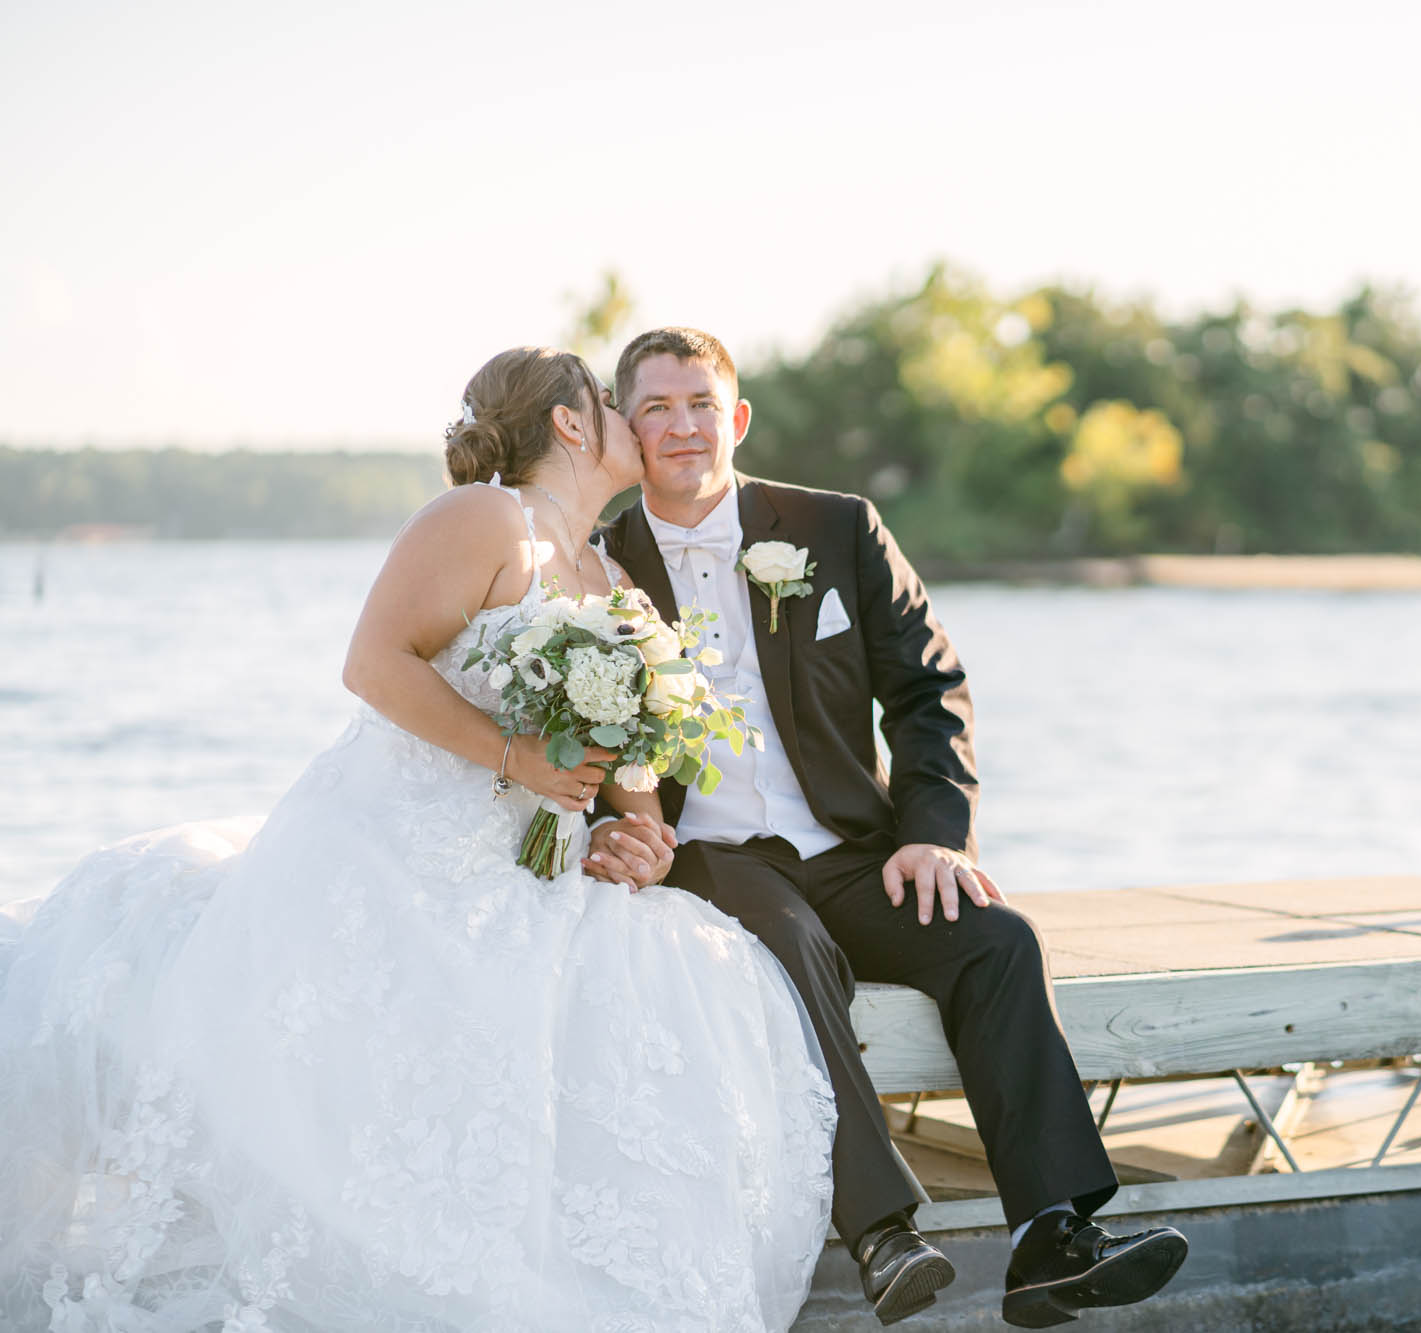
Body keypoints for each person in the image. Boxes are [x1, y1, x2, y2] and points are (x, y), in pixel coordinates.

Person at [0, 347, 837, 1331]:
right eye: (610, 403)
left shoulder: (613, 575)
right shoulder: (486, 518)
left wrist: (640, 836)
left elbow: (631, 763)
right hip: (396, 838)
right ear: (569, 423)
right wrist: (514, 757)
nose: (630, 419)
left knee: (691, 977)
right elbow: (373, 664)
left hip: (535, 865)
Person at [589, 327, 1189, 1328]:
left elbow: (927, 687)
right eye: (655, 407)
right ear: (627, 428)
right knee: (789, 945)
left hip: (855, 845)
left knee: (995, 939)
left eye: (700, 403)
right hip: (709, 857)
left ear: (735, 419)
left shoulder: (835, 528)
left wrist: (934, 832)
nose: (682, 427)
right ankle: (881, 1232)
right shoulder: (596, 563)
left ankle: (1050, 1236)